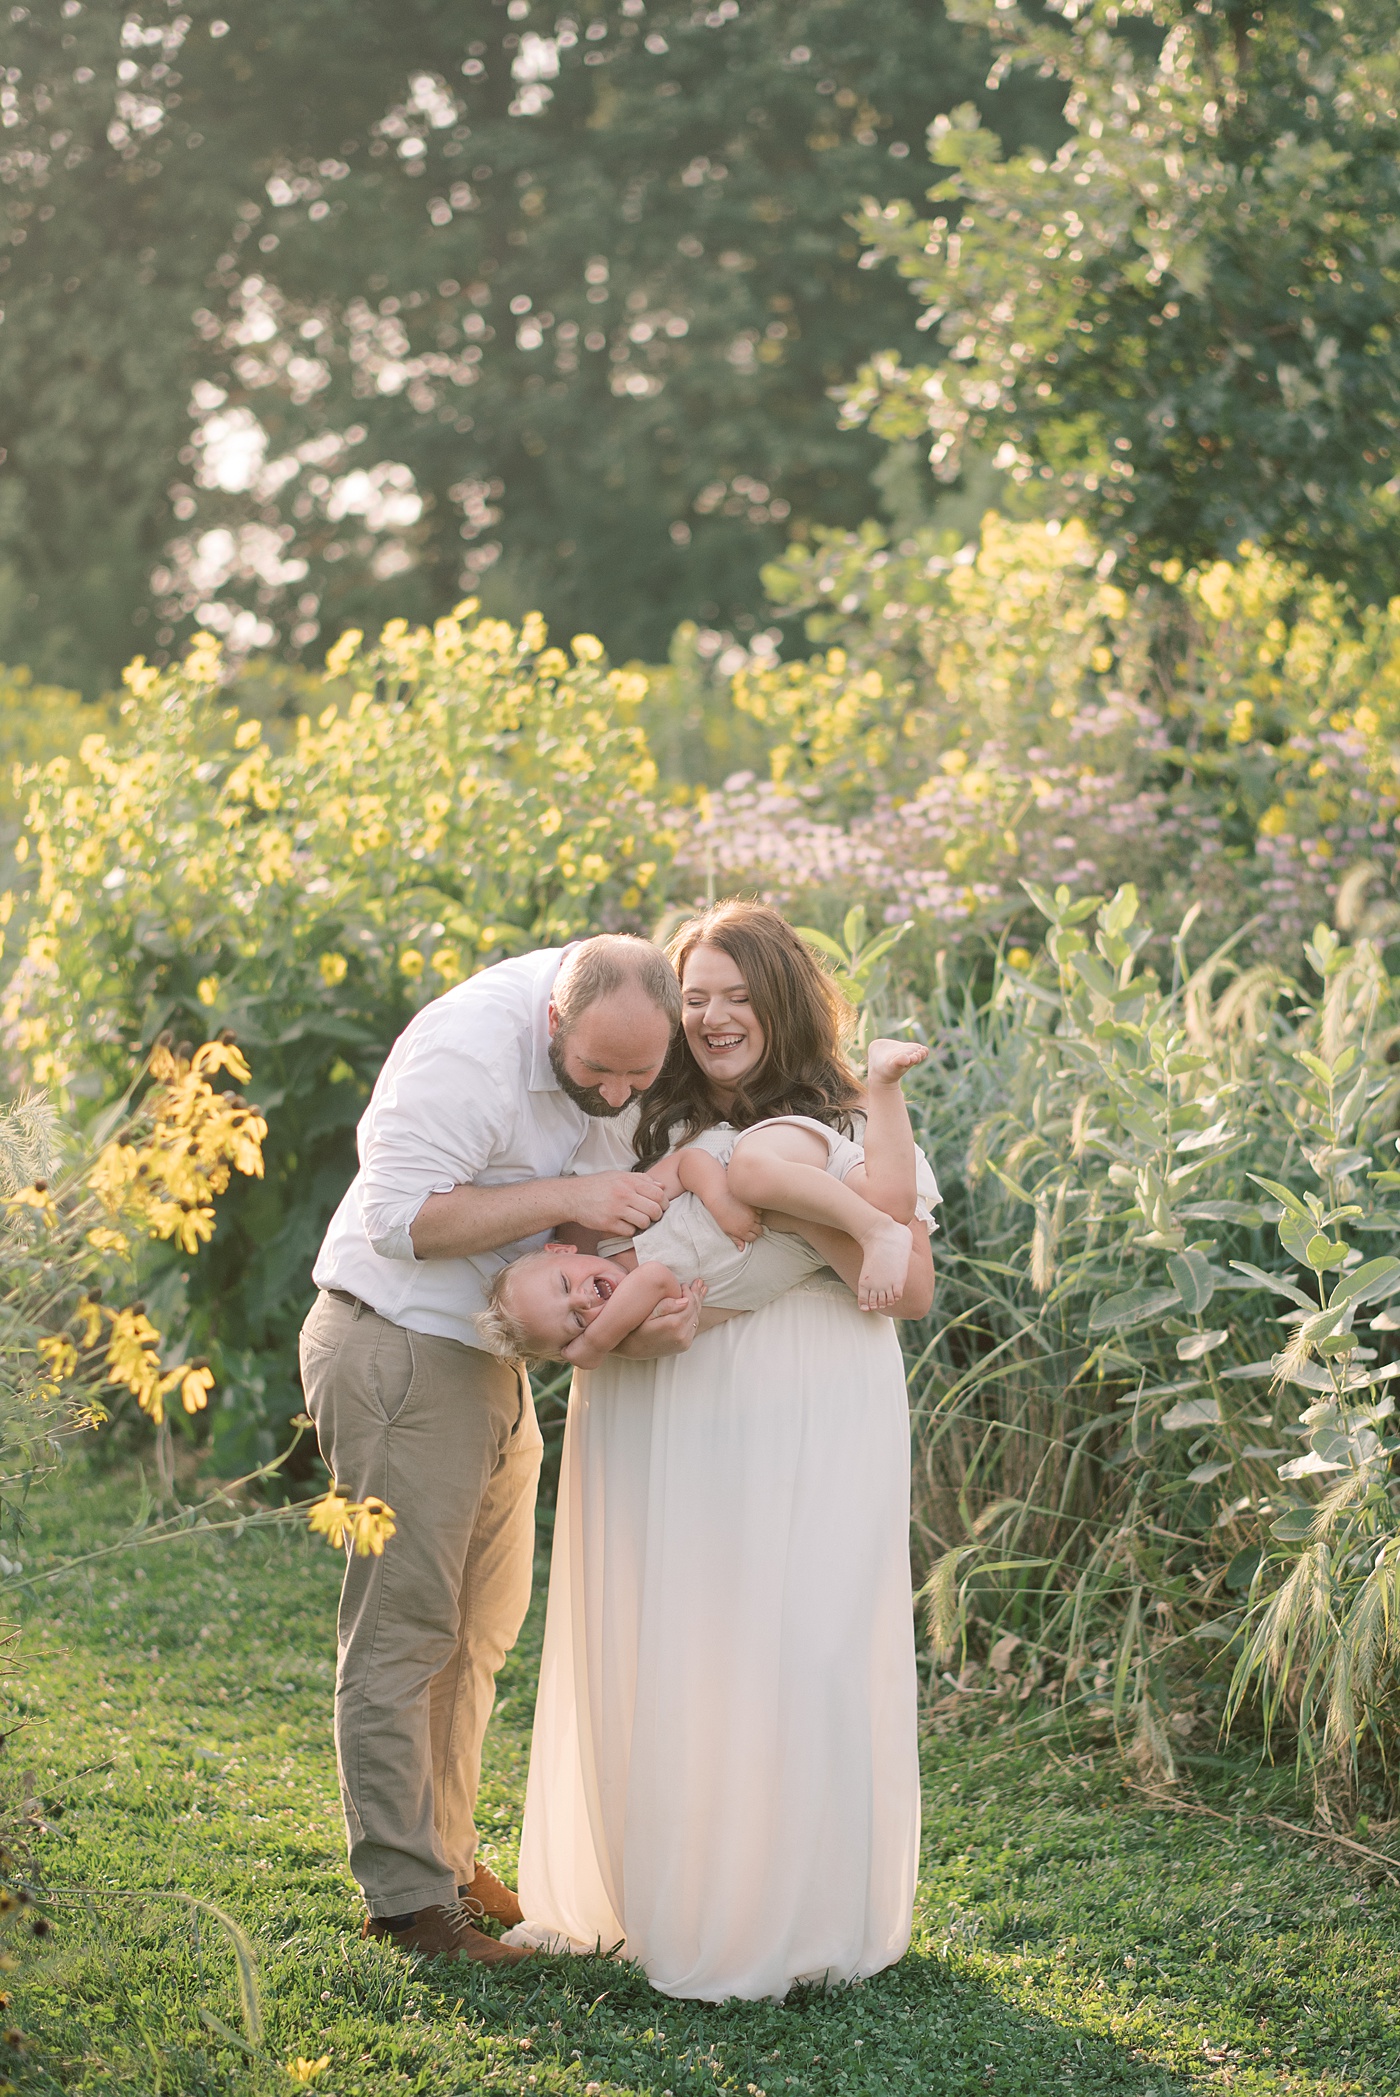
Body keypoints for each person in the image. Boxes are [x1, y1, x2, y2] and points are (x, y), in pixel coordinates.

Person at [504, 902, 938, 2000]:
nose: (714, 1017)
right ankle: (652, 1895)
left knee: (792, 1646)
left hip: (804, 1403)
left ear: (784, 999)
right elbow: (587, 1256)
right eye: (696, 996)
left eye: (738, 996)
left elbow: (909, 1285)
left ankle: (778, 1914)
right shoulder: (636, 1112)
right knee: (675, 1643)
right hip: (660, 1407)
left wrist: (797, 1227)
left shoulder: (837, 1125)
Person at [298, 935, 705, 1968]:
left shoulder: (630, 1042)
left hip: (483, 1358)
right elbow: (398, 1220)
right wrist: (567, 1202)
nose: (617, 1093)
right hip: (395, 1344)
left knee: (478, 1633)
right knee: (403, 1632)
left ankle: (446, 1859)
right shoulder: (468, 1053)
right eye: (595, 1072)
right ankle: (406, 1905)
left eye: (639, 1075)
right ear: (553, 1023)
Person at [477, 1037, 930, 1367]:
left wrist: (718, 1199)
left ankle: (873, 1230)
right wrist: (625, 1342)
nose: (584, 1301)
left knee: (749, 1178)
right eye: (577, 1322)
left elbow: (684, 1167)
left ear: (561, 1250)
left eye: (563, 1285)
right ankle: (885, 1088)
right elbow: (693, 1305)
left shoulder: (617, 1230)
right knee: (899, 1252)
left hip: (767, 1158)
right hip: (804, 1228)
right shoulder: (649, 1323)